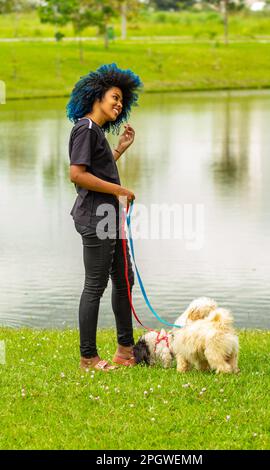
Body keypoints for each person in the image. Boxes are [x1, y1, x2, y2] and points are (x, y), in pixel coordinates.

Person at [66, 63, 143, 371]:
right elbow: (77, 175)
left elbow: (97, 168)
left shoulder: (95, 132)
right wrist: (121, 190)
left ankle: (126, 351)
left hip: (109, 218)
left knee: (124, 280)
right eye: (114, 97)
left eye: (122, 101)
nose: (119, 104)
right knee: (95, 286)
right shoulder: (84, 128)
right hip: (95, 220)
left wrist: (119, 150)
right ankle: (88, 358)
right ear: (97, 96)